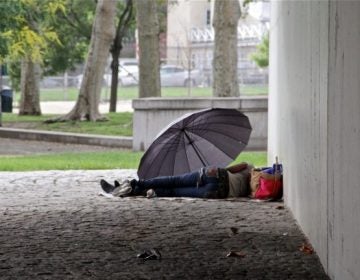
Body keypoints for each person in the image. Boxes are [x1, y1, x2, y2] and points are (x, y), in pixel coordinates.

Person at [100, 162, 253, 199]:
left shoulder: (250, 168)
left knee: (175, 180)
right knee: (174, 191)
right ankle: (134, 191)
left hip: (215, 175)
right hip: (217, 192)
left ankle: (133, 185)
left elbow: (234, 168)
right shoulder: (255, 192)